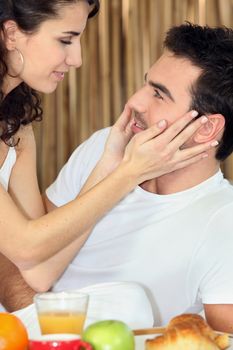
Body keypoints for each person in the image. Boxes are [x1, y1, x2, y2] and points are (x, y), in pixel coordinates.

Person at [11, 23, 233, 332]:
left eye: (159, 95)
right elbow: (24, 257)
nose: (135, 102)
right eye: (146, 84)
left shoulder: (224, 222)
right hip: (23, 331)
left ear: (206, 128)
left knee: (131, 303)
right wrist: (39, 325)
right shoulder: (104, 147)